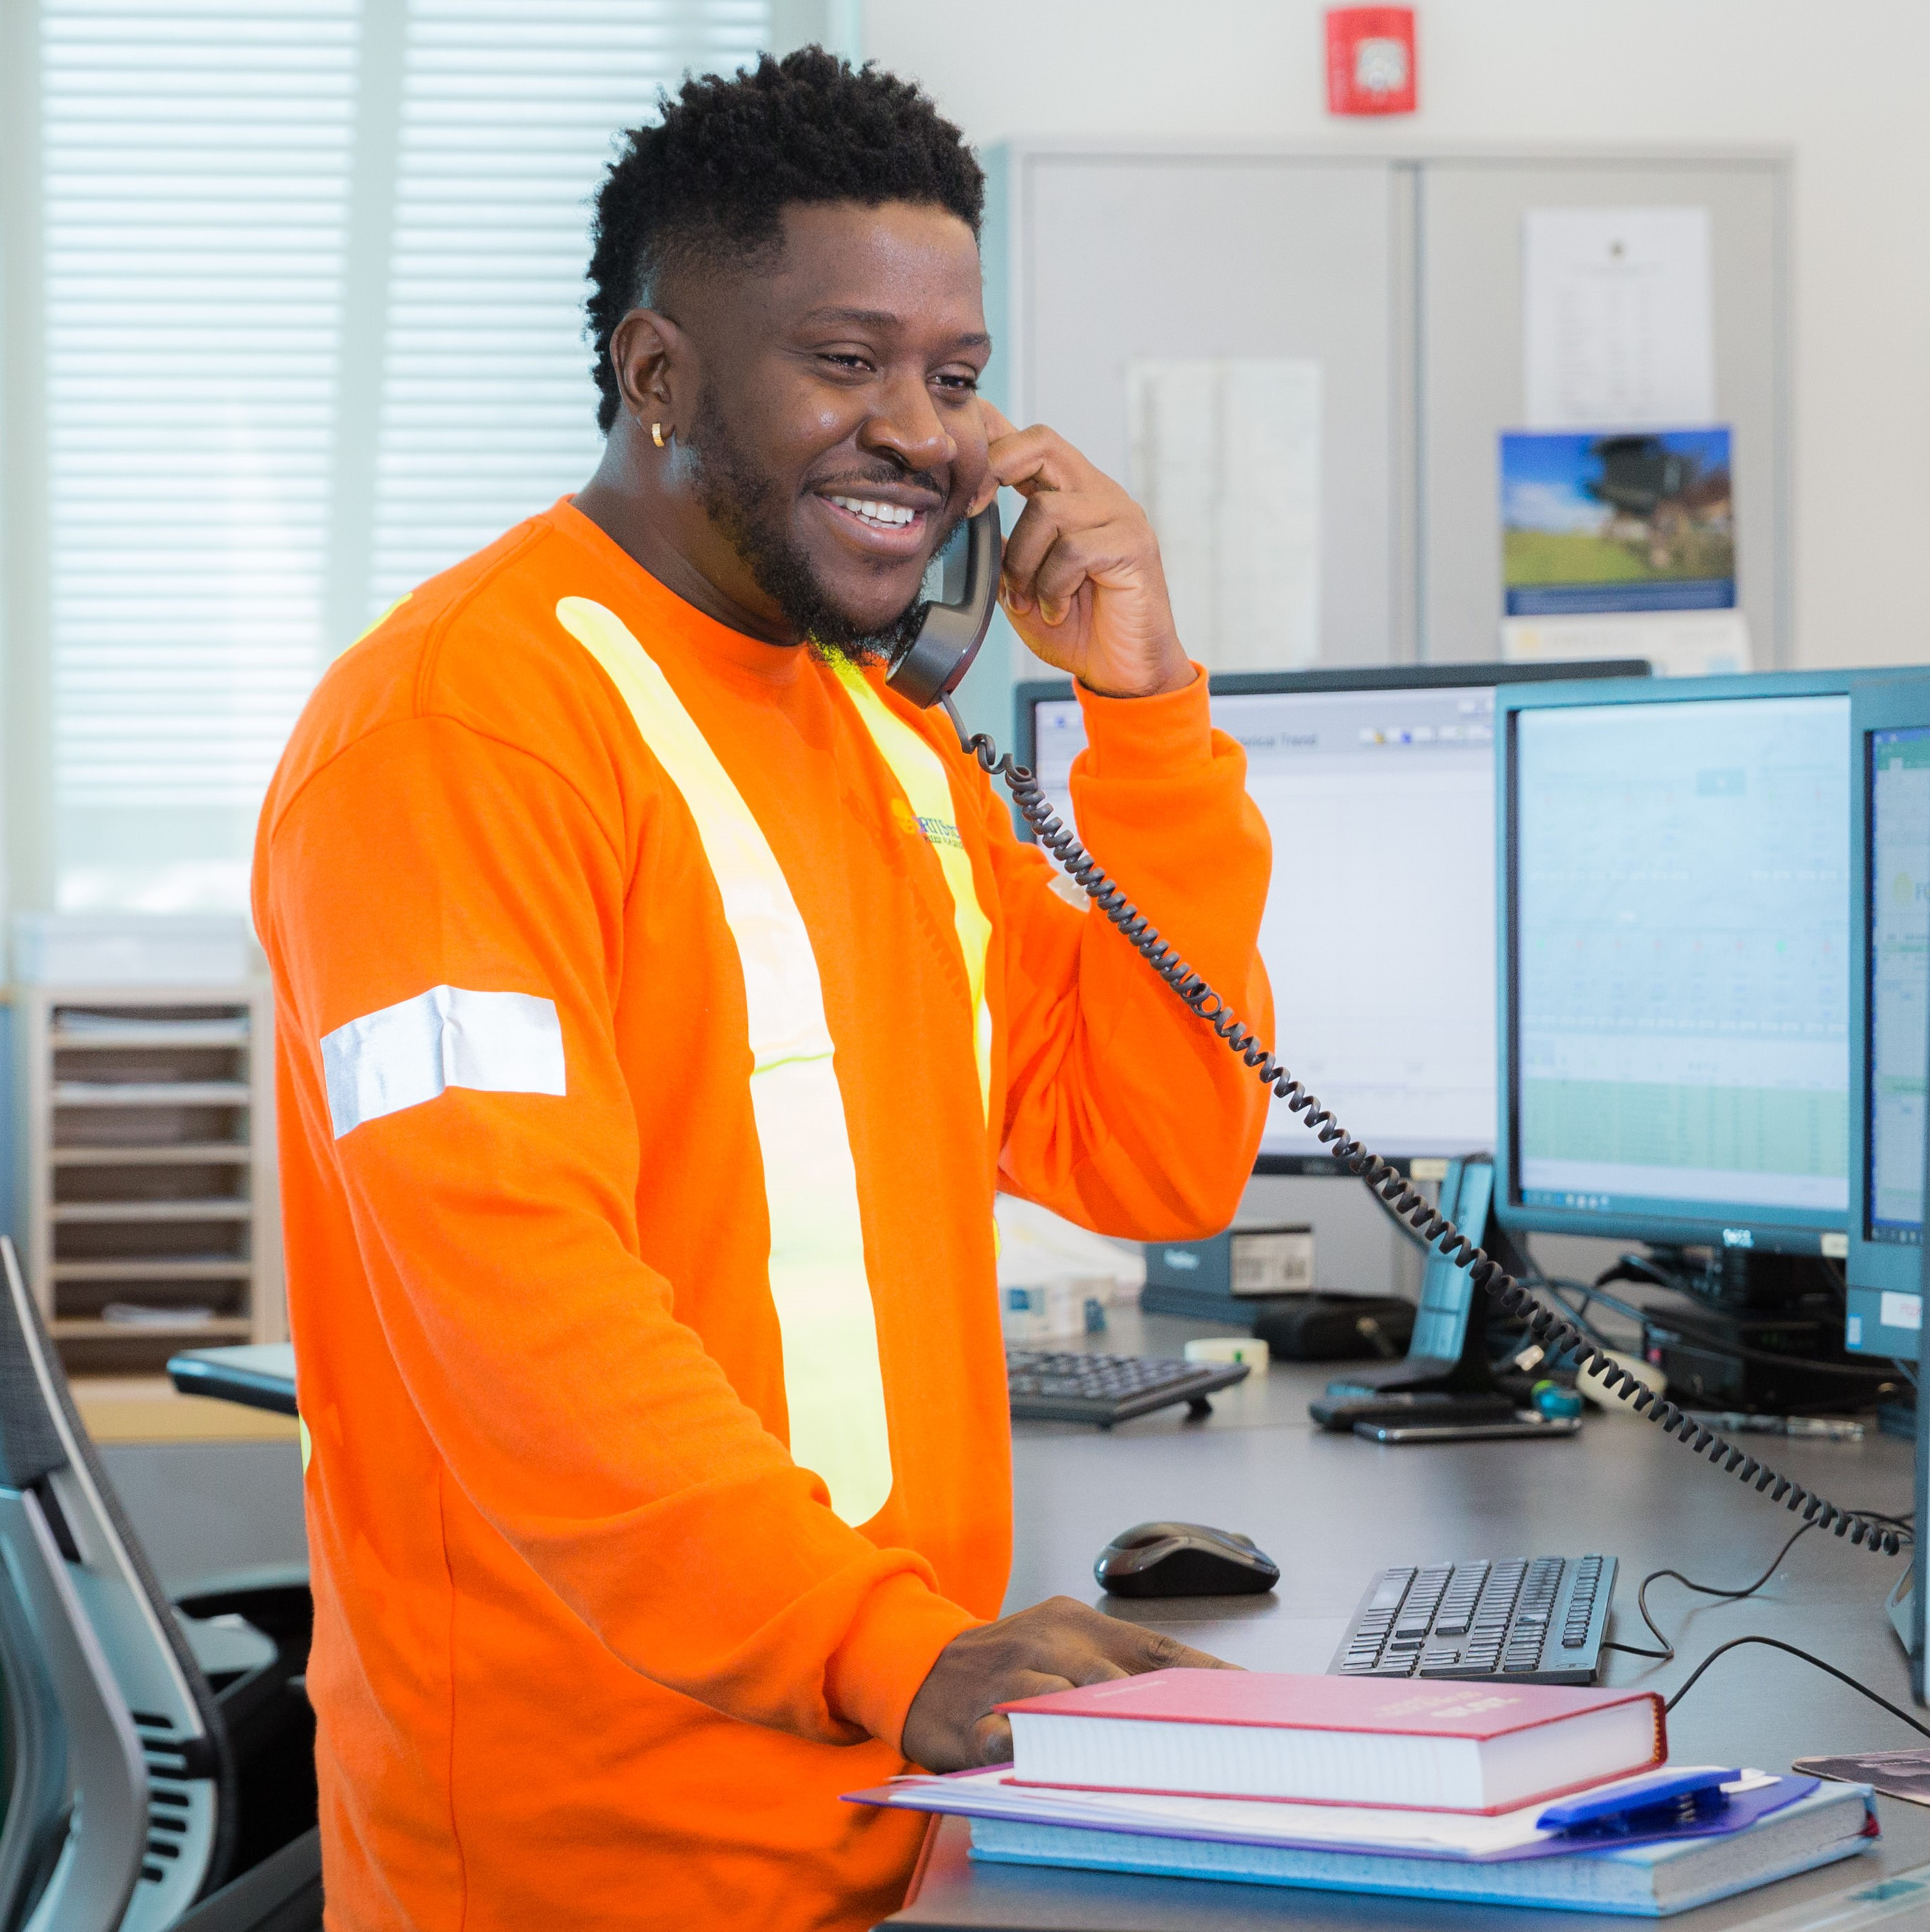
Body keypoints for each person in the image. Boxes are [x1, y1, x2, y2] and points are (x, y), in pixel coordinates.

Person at [250, 50, 1274, 1931]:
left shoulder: (892, 750)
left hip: (882, 1822)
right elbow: (525, 1329)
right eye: (848, 361)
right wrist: (891, 1647)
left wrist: (1145, 721)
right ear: (659, 376)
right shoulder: (457, 735)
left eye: (956, 378)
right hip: (587, 1864)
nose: (929, 434)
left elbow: (1166, 1150)